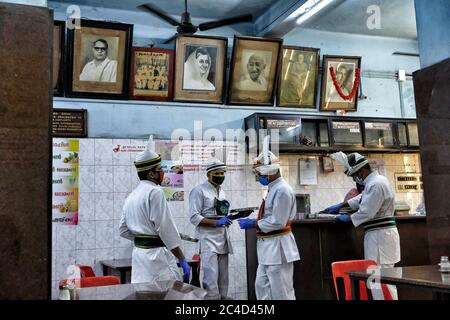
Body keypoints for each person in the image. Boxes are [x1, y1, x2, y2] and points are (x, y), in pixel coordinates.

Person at [322, 151, 400, 300]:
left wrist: (347, 218)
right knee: (377, 282)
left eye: (354, 175)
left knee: (383, 282)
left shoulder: (376, 184)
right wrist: (341, 205)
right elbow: (361, 198)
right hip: (379, 237)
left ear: (361, 170)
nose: (354, 179)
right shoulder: (374, 182)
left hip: (380, 239)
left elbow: (367, 212)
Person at [119, 135, 190, 284]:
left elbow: (123, 230)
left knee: (143, 294)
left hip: (139, 256)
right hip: (157, 258)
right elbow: (165, 229)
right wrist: (182, 258)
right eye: (160, 169)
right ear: (151, 173)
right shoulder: (155, 192)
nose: (163, 172)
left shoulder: (131, 196)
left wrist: (144, 238)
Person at [238, 136, 300, 300]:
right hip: (268, 249)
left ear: (269, 171)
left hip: (279, 248)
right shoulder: (272, 189)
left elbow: (278, 221)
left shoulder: (282, 190)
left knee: (282, 292)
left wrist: (254, 223)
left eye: (259, 173)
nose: (258, 177)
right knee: (262, 287)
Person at [188, 158, 233, 297]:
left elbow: (221, 212)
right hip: (208, 241)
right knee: (211, 282)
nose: (220, 176)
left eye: (222, 173)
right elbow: (194, 217)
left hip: (223, 239)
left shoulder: (222, 192)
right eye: (217, 173)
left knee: (224, 281)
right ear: (208, 174)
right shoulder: (198, 191)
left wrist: (231, 217)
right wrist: (216, 223)